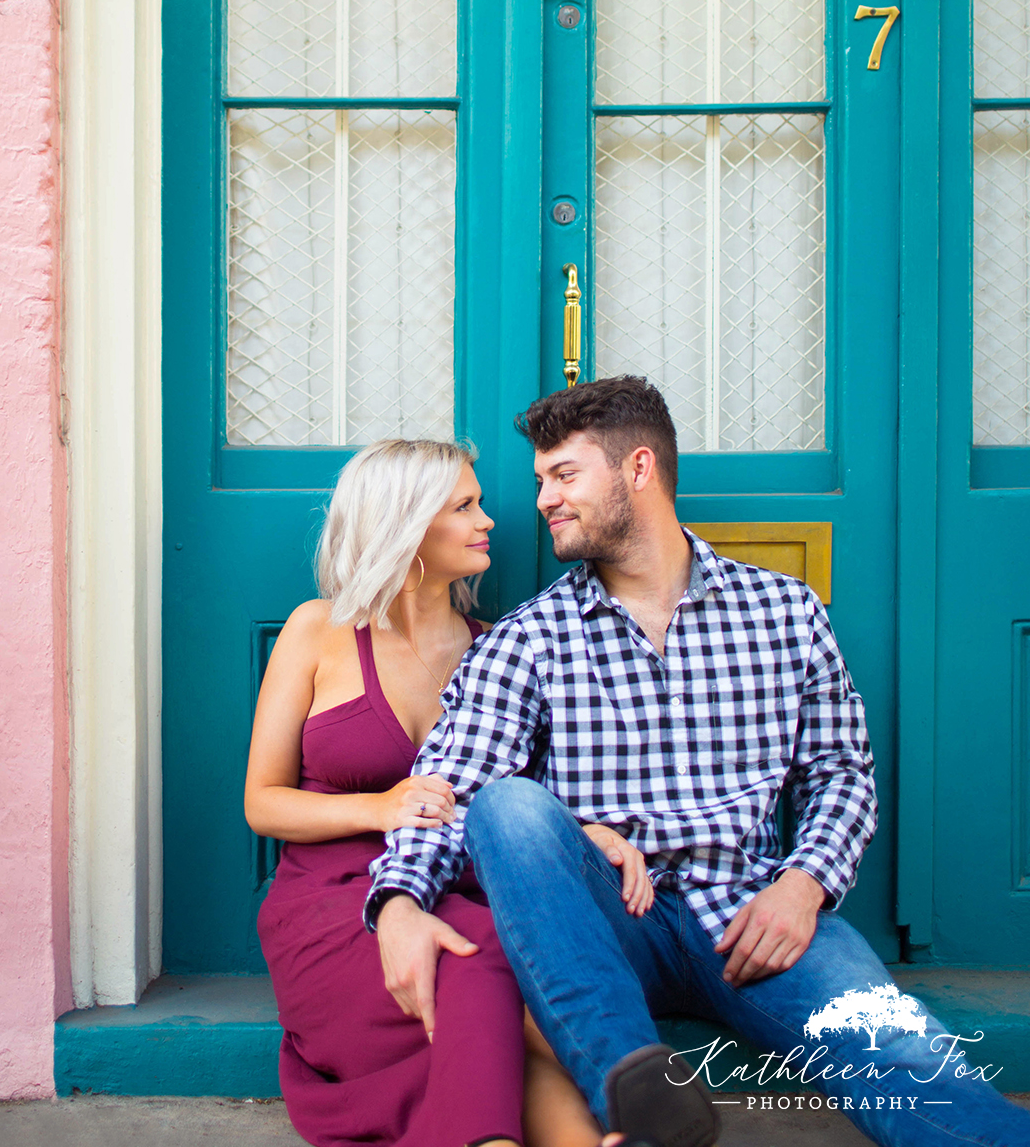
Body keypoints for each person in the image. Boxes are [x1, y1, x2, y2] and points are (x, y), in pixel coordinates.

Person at [367, 378, 1030, 1147]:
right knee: (507, 806)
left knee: (907, 1056)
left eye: (564, 475)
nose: (544, 499)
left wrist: (804, 885)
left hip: (753, 915)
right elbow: (452, 788)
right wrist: (400, 901)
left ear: (638, 469)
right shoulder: (530, 638)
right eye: (541, 479)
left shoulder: (783, 611)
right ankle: (639, 1092)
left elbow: (841, 771)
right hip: (607, 921)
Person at [245, 437, 604, 1147]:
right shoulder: (317, 631)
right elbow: (263, 802)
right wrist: (378, 808)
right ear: (407, 525)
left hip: (452, 886)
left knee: (486, 966)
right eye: (464, 506)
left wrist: (593, 833)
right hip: (327, 902)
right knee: (483, 962)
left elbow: (528, 801)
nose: (490, 520)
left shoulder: (496, 648)